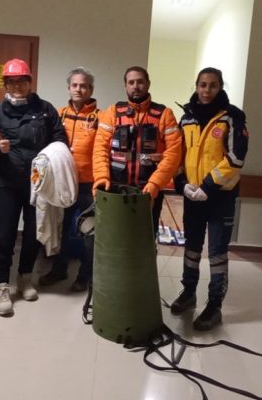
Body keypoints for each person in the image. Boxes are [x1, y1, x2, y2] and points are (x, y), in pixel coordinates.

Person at [0, 58, 67, 316]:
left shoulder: (45, 109)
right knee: (4, 234)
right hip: (7, 182)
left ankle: (24, 277)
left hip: (37, 185)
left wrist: (50, 158)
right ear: (5, 84)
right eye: (11, 81)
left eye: (22, 80)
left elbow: (60, 139)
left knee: (33, 232)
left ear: (30, 82)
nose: (17, 85)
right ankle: (0, 286)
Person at [168, 67, 248, 331]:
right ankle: (188, 292)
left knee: (216, 253)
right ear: (196, 85)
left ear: (220, 86)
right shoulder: (187, 119)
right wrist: (182, 184)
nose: (207, 90)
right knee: (191, 247)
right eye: (203, 85)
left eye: (213, 85)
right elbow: (177, 158)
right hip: (193, 196)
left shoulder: (232, 116)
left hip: (220, 197)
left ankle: (214, 306)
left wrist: (208, 185)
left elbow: (236, 158)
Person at [92, 66, 182, 234]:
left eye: (140, 82)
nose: (135, 86)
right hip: (115, 188)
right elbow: (100, 149)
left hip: (148, 190)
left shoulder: (165, 115)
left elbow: (174, 154)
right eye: (131, 82)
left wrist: (155, 183)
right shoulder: (113, 112)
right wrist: (101, 177)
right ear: (125, 85)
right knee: (115, 236)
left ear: (148, 84)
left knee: (146, 236)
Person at [39, 67, 100, 292]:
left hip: (88, 184)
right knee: (61, 228)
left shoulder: (99, 118)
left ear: (90, 89)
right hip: (63, 183)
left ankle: (85, 275)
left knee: (88, 231)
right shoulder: (59, 114)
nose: (79, 89)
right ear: (69, 88)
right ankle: (59, 269)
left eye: (83, 85)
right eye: (75, 85)